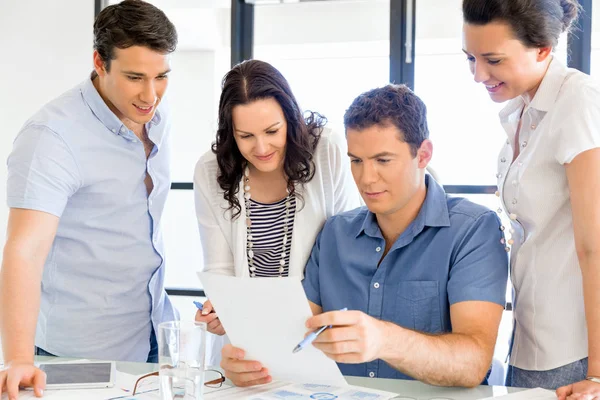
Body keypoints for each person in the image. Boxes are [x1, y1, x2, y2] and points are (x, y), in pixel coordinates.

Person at [218, 84, 509, 388]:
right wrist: (251, 362)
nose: (366, 178)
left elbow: (474, 362)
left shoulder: (473, 229)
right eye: (356, 160)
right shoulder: (334, 234)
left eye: (383, 160)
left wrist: (384, 339)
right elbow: (294, 340)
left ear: (423, 155)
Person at [0, 0, 178, 397]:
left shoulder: (156, 116)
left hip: (151, 335)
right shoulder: (52, 136)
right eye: (135, 77)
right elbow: (24, 250)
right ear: (100, 62)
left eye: (161, 76)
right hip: (77, 353)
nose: (151, 95)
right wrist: (17, 358)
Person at [462, 1, 600, 397]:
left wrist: (597, 373)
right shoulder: (521, 111)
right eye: (470, 58)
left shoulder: (579, 101)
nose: (478, 75)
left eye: (493, 59)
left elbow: (595, 246)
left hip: (574, 351)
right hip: (528, 341)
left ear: (542, 48)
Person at [193, 59, 361, 364]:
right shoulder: (209, 170)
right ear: (231, 132)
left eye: (272, 131)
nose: (261, 148)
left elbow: (346, 255)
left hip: (314, 334)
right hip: (246, 344)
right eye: (246, 136)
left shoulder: (327, 150)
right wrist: (220, 310)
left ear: (290, 118)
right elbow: (220, 270)